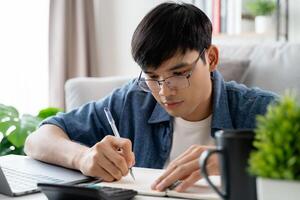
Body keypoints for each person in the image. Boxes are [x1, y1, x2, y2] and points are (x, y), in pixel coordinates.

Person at [24, 2, 278, 193]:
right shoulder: (133, 101)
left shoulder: (261, 110)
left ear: (210, 58)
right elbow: (39, 138)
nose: (165, 91)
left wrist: (238, 159)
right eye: (153, 77)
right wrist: (81, 157)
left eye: (179, 73)